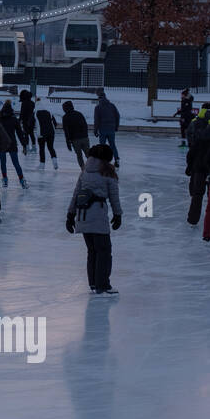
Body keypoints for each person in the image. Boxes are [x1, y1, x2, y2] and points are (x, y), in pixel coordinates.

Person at [65, 144, 122, 294]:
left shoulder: (85, 171)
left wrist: (70, 215)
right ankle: (103, 285)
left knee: (92, 251)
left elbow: (76, 193)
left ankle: (94, 284)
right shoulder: (107, 172)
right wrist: (118, 214)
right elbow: (114, 197)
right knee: (104, 250)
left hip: (82, 216)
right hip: (98, 216)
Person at [185, 111, 210, 226]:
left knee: (197, 195)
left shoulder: (199, 140)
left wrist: (189, 167)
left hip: (199, 169)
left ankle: (193, 219)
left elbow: (191, 154)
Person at [0, 100, 27, 187]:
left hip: (1, 144)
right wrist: (24, 145)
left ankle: (5, 180)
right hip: (12, 143)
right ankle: (21, 180)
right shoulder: (14, 119)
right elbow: (20, 133)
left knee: (3, 163)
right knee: (16, 163)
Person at [93, 89, 120, 166]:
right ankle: (117, 159)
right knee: (112, 145)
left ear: (99, 98)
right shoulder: (112, 106)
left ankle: (102, 161)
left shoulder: (98, 107)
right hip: (111, 128)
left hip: (103, 129)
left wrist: (95, 130)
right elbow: (117, 116)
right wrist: (116, 126)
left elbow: (96, 120)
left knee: (102, 146)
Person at [61, 100, 90, 170]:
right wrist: (85, 134)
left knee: (79, 156)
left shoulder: (65, 117)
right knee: (88, 155)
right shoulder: (79, 114)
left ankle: (83, 169)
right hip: (84, 138)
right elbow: (85, 125)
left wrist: (68, 142)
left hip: (75, 140)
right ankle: (93, 167)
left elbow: (66, 131)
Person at [36, 104, 59, 169]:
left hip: (41, 134)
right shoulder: (49, 113)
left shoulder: (35, 113)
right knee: (51, 147)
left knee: (42, 149)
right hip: (51, 133)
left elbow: (30, 123)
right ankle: (55, 162)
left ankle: (42, 164)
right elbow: (55, 123)